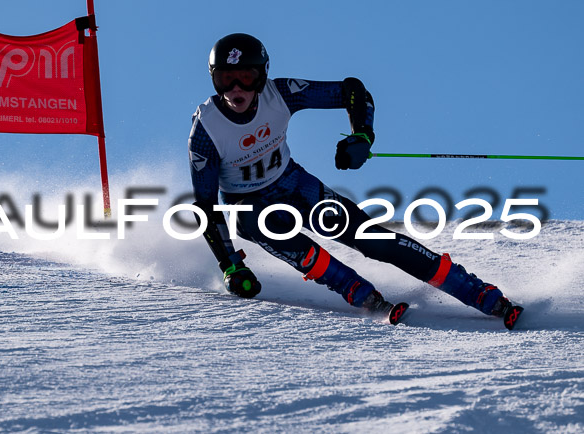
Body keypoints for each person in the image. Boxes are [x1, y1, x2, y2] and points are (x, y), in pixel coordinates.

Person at [188, 33, 523, 329]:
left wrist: (362, 134)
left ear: (262, 76)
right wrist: (230, 264)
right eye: (225, 79)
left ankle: (478, 293)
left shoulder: (282, 94)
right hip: (249, 206)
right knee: (298, 247)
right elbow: (205, 206)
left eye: (245, 77)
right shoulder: (207, 130)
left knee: (375, 241)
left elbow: (353, 91)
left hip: (294, 184)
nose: (236, 89)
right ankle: (361, 295)